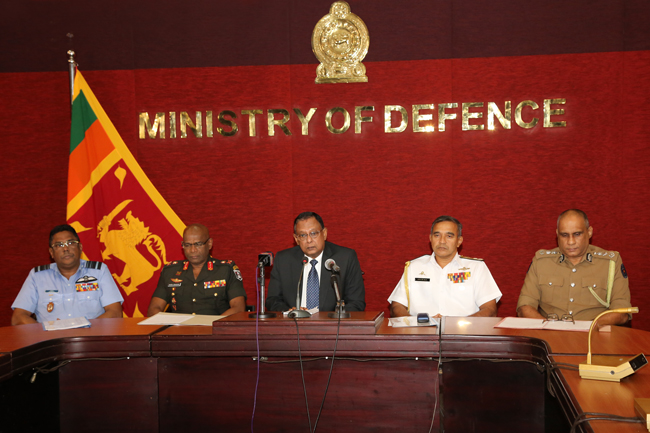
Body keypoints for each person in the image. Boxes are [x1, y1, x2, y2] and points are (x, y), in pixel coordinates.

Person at [517, 209, 631, 326]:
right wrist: (547, 327)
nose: (571, 242)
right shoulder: (541, 262)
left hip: (594, 337)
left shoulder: (610, 263)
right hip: (549, 335)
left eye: (577, 234)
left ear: (589, 232)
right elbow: (524, 307)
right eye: (564, 235)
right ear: (557, 234)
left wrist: (588, 328)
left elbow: (622, 312)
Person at [388, 216, 501, 318]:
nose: (442, 241)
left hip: (463, 335)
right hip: (421, 334)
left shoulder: (476, 268)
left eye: (449, 236)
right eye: (437, 235)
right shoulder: (414, 267)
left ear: (459, 241)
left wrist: (460, 325)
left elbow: (490, 310)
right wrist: (415, 323)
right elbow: (397, 306)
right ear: (430, 238)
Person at [11, 224, 124, 325]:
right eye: (59, 245)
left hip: (90, 341)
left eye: (70, 243)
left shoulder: (99, 271)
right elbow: (18, 317)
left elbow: (115, 312)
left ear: (80, 247)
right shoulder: (37, 276)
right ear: (51, 253)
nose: (65, 249)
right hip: (50, 343)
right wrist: (46, 332)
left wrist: (86, 329)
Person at [265, 212, 365, 312]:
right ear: (296, 239)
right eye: (303, 235)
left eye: (313, 233)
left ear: (324, 233)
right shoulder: (283, 260)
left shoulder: (345, 258)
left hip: (331, 325)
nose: (309, 240)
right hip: (294, 323)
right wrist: (291, 312)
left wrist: (333, 319)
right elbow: (272, 300)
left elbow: (356, 302)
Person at [147, 224, 246, 316]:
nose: (193, 250)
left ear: (210, 244)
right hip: (178, 331)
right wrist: (170, 325)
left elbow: (239, 308)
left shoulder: (226, 270)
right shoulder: (170, 271)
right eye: (188, 245)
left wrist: (211, 325)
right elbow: (155, 308)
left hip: (215, 331)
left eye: (198, 244)